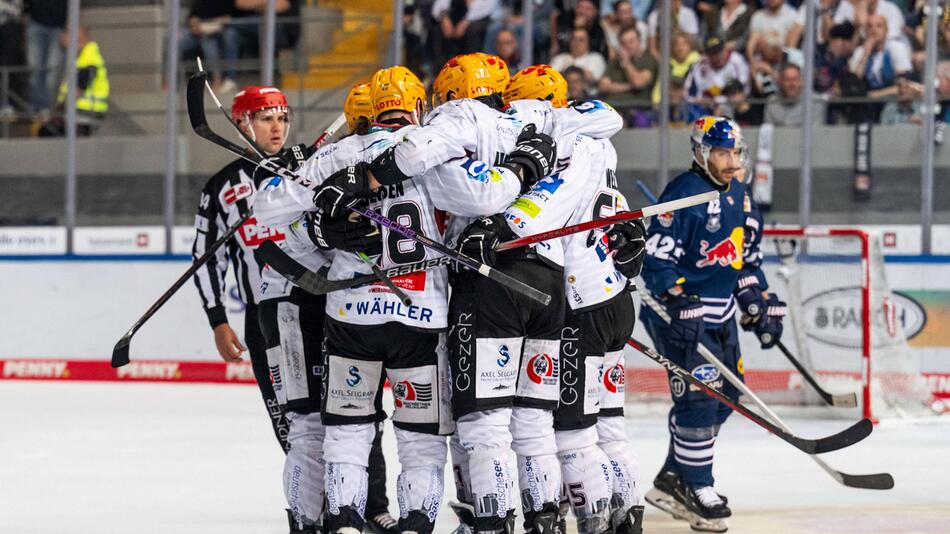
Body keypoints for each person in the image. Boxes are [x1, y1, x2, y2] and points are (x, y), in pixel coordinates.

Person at [337, 54, 622, 534]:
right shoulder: (543, 119)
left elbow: (468, 193)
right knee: (534, 424)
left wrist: (368, 173)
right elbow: (606, 118)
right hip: (550, 280)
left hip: (488, 281)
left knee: (482, 427)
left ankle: (491, 523)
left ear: (449, 93)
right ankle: (546, 520)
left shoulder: (459, 117)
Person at [502, 65, 648, 534]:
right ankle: (628, 514)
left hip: (580, 301)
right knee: (609, 424)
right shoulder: (598, 144)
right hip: (615, 296)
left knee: (572, 431)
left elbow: (539, 215)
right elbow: (607, 117)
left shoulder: (558, 146)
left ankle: (595, 520)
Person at [640, 116, 785, 533]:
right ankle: (700, 487)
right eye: (721, 153)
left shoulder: (739, 193)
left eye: (734, 152)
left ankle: (673, 478)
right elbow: (656, 261)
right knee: (700, 400)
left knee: (725, 399)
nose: (729, 160)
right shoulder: (682, 195)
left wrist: (757, 301)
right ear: (701, 153)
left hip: (720, 312)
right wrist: (678, 297)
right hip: (678, 314)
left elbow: (744, 262)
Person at [39, 27, 108, 137]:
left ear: (78, 41)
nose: (62, 37)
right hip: (82, 113)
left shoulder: (89, 60)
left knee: (47, 133)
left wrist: (59, 111)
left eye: (66, 34)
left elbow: (78, 91)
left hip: (83, 113)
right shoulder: (84, 57)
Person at [597, 25, 657, 125]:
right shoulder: (615, 62)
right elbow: (603, 86)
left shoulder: (648, 60)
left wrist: (626, 63)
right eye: (624, 43)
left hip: (637, 107)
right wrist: (630, 86)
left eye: (631, 42)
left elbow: (638, 83)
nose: (628, 46)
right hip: (612, 107)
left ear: (639, 41)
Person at [684, 35, 749, 115]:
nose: (718, 56)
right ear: (706, 54)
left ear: (725, 49)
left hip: (732, 107)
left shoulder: (737, 61)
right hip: (705, 109)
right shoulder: (699, 65)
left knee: (741, 105)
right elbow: (687, 94)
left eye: (720, 51)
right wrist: (701, 100)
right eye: (713, 53)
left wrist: (719, 101)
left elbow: (745, 90)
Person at [26, 0, 66, 114]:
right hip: (36, 22)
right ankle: (35, 106)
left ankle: (47, 108)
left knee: (52, 69)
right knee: (34, 67)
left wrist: (68, 26)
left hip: (59, 25)